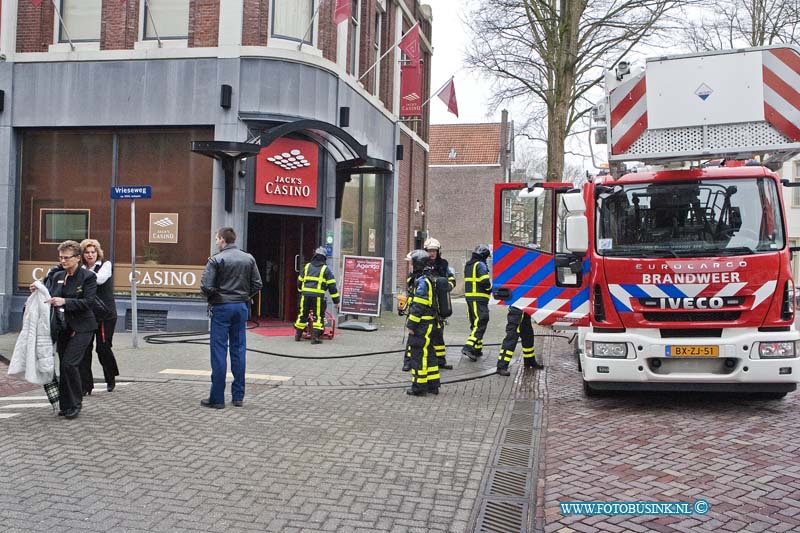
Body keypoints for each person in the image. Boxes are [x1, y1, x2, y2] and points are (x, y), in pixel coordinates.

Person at [200, 227, 263, 409]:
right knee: (239, 350)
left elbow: (205, 286)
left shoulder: (216, 259)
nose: (216, 242)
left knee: (219, 351)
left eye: (217, 239)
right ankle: (238, 397)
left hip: (221, 308)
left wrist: (216, 297)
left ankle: (217, 398)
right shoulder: (248, 258)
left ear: (222, 240)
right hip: (241, 307)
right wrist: (244, 296)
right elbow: (257, 284)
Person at [45, 240, 98, 419]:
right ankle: (65, 405)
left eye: (66, 258)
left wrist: (65, 301)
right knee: (63, 365)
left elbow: (89, 303)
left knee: (70, 363)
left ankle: (76, 404)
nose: (63, 261)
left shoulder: (87, 277)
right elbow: (48, 293)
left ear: (77, 258)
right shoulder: (57, 275)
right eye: (60, 257)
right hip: (63, 327)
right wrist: (36, 289)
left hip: (83, 327)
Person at [79, 239, 120, 394]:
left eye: (93, 252)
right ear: (82, 254)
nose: (90, 255)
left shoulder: (106, 265)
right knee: (84, 348)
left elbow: (100, 279)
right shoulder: (80, 268)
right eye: (87, 252)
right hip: (87, 314)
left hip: (105, 314)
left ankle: (110, 378)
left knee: (103, 348)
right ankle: (86, 385)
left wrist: (79, 272)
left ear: (98, 252)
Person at [404, 250, 440, 396]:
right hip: (430, 323)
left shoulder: (423, 282)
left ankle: (419, 387)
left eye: (413, 263)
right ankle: (433, 385)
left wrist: (411, 325)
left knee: (418, 354)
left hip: (421, 325)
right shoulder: (428, 279)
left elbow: (419, 305)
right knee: (430, 353)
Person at [294, 246, 340, 345]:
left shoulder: (307, 266)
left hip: (305, 295)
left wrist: (301, 291)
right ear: (324, 258)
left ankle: (298, 335)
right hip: (318, 296)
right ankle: (315, 338)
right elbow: (332, 287)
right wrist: (336, 301)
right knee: (318, 316)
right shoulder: (325, 269)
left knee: (303, 314)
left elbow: (299, 281)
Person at [424, 238, 456, 370]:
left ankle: (440, 361)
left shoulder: (443, 264)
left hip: (439, 302)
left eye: (434, 251)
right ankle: (413, 361)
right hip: (425, 302)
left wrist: (446, 287)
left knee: (439, 331)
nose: (432, 253)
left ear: (438, 252)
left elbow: (452, 279)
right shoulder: (421, 264)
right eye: (429, 251)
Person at [462, 244, 492, 361]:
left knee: (475, 323)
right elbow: (485, 281)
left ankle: (477, 349)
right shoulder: (480, 265)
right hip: (479, 299)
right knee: (481, 322)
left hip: (470, 298)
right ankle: (468, 347)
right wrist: (490, 289)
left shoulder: (469, 264)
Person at [497, 306, 544, 376]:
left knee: (528, 336)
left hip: (525, 311)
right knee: (511, 339)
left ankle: (529, 361)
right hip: (516, 313)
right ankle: (501, 366)